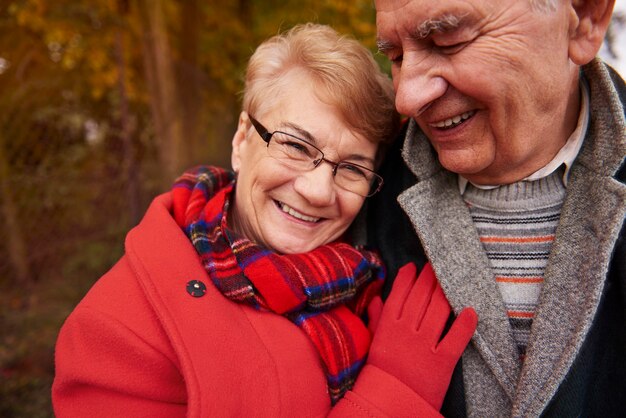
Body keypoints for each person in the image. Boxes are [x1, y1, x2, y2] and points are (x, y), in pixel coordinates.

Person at [52, 23, 477, 417]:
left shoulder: (364, 281)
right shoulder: (116, 332)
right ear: (241, 140)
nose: (317, 190)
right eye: (294, 145)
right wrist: (392, 393)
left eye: (351, 168)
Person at [367, 0, 626, 416]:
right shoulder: (358, 189)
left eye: (448, 41)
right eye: (395, 56)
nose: (406, 97)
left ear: (584, 20)